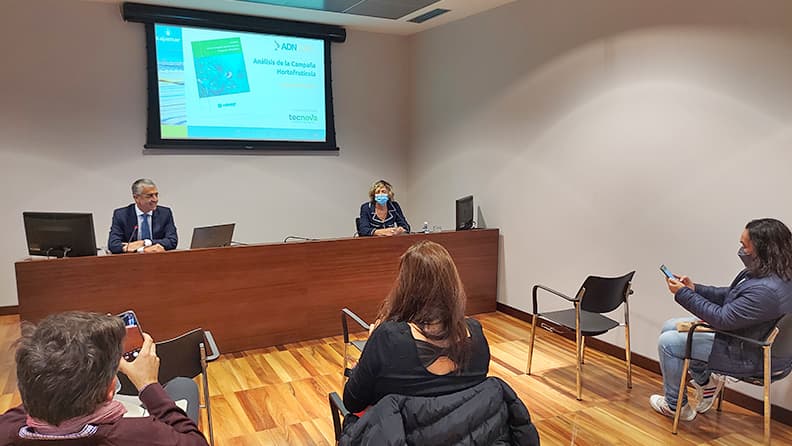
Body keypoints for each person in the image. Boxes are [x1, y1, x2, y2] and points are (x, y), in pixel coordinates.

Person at [650, 218, 792, 421]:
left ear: (762, 248)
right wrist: (694, 289)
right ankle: (706, 384)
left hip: (750, 352)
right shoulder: (777, 274)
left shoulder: (766, 290)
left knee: (669, 343)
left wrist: (683, 294)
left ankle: (675, 406)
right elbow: (734, 296)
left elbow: (722, 319)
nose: (741, 250)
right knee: (670, 326)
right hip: (751, 338)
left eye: (744, 245)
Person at [0, 311, 207, 445]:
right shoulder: (139, 434)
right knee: (184, 386)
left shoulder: (7, 430)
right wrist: (148, 385)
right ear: (110, 391)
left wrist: (46, 381)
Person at [343, 240, 489, 412]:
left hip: (399, 429)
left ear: (405, 286)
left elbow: (353, 402)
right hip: (463, 428)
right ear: (453, 284)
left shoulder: (388, 338)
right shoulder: (476, 333)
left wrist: (368, 350)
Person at [108, 178, 178, 254]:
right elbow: (113, 244)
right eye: (149, 196)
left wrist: (145, 243)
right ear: (136, 198)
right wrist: (141, 250)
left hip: (158, 258)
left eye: (156, 195)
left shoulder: (165, 213)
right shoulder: (122, 215)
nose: (155, 199)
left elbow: (172, 241)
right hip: (131, 259)